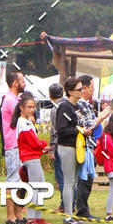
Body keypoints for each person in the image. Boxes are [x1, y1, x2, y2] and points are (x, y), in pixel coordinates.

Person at [12, 92, 52, 224]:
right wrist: (42, 144)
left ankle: (37, 217)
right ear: (22, 107)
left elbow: (31, 143)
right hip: (30, 158)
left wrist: (41, 149)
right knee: (35, 187)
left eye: (33, 107)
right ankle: (31, 219)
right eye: (29, 107)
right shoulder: (22, 122)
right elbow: (32, 141)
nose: (32, 109)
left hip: (34, 156)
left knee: (40, 186)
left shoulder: (26, 122)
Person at [75, 75, 111, 222]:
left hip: (90, 146)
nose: (93, 90)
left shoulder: (87, 105)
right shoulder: (80, 105)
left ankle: (83, 208)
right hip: (85, 146)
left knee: (88, 178)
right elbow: (88, 125)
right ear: (84, 88)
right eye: (91, 87)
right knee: (85, 179)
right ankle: (82, 210)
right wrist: (101, 117)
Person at [55, 77, 86, 224]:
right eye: (79, 89)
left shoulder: (76, 107)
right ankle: (68, 216)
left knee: (73, 182)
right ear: (70, 91)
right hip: (67, 147)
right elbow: (61, 129)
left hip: (76, 147)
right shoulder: (65, 107)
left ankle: (70, 214)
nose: (82, 91)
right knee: (68, 182)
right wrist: (78, 130)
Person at [0, 69, 26, 224]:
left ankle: (17, 213)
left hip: (18, 145)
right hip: (13, 145)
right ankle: (10, 216)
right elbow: (25, 115)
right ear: (15, 83)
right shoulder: (11, 101)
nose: (24, 83)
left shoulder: (14, 99)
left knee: (18, 181)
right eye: (22, 80)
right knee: (12, 181)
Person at [48, 83, 65, 213]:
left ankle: (64, 204)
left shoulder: (55, 108)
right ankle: (70, 202)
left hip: (60, 145)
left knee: (61, 176)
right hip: (71, 146)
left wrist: (52, 149)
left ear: (50, 95)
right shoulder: (69, 105)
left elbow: (54, 131)